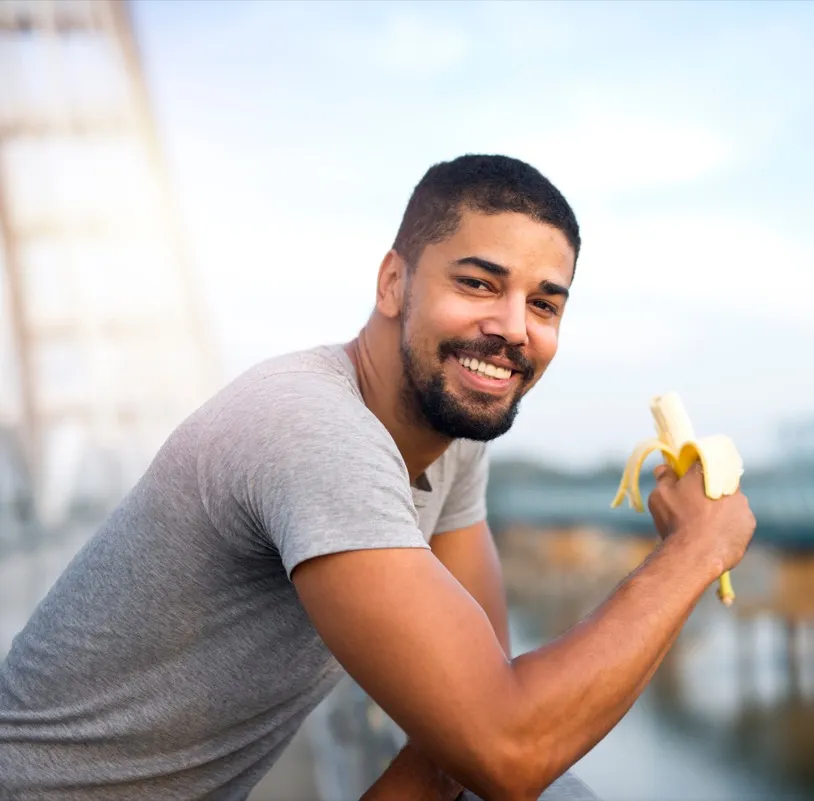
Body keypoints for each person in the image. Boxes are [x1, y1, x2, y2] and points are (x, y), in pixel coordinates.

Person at [0, 154, 757, 801]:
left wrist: (476, 724)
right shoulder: (310, 427)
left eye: (544, 303)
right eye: (479, 283)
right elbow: (506, 747)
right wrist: (696, 549)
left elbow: (462, 721)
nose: (514, 328)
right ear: (393, 283)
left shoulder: (453, 435)